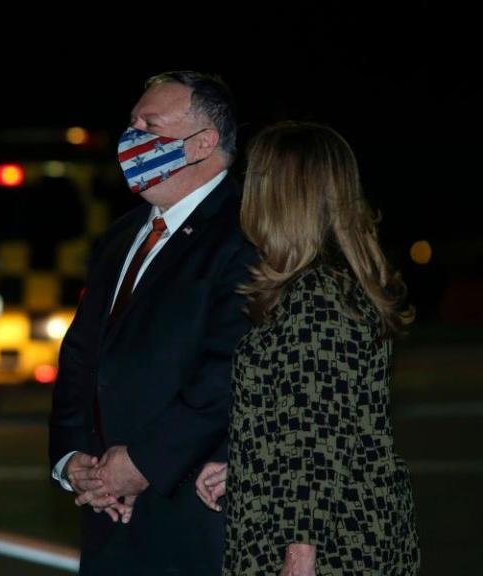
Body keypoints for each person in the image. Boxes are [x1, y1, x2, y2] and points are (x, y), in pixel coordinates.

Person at [48, 71, 257, 574]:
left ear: (203, 143)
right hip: (107, 514)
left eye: (150, 124)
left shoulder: (245, 231)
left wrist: (142, 463)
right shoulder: (123, 235)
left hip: (192, 519)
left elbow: (228, 368)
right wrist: (73, 460)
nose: (132, 136)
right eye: (132, 123)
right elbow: (81, 356)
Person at [194, 121, 420, 576]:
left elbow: (316, 444)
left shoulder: (316, 296)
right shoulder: (322, 288)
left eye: (256, 179)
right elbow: (314, 421)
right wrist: (249, 468)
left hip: (323, 549)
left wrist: (300, 557)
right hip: (333, 531)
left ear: (280, 195)